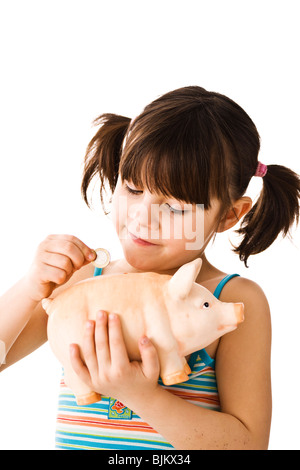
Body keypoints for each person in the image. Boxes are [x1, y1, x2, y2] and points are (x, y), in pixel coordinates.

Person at [0, 86, 299, 450]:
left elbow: (248, 444)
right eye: (133, 188)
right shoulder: (83, 282)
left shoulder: (233, 301)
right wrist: (30, 287)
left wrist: (137, 394)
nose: (143, 218)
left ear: (230, 214)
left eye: (174, 208)